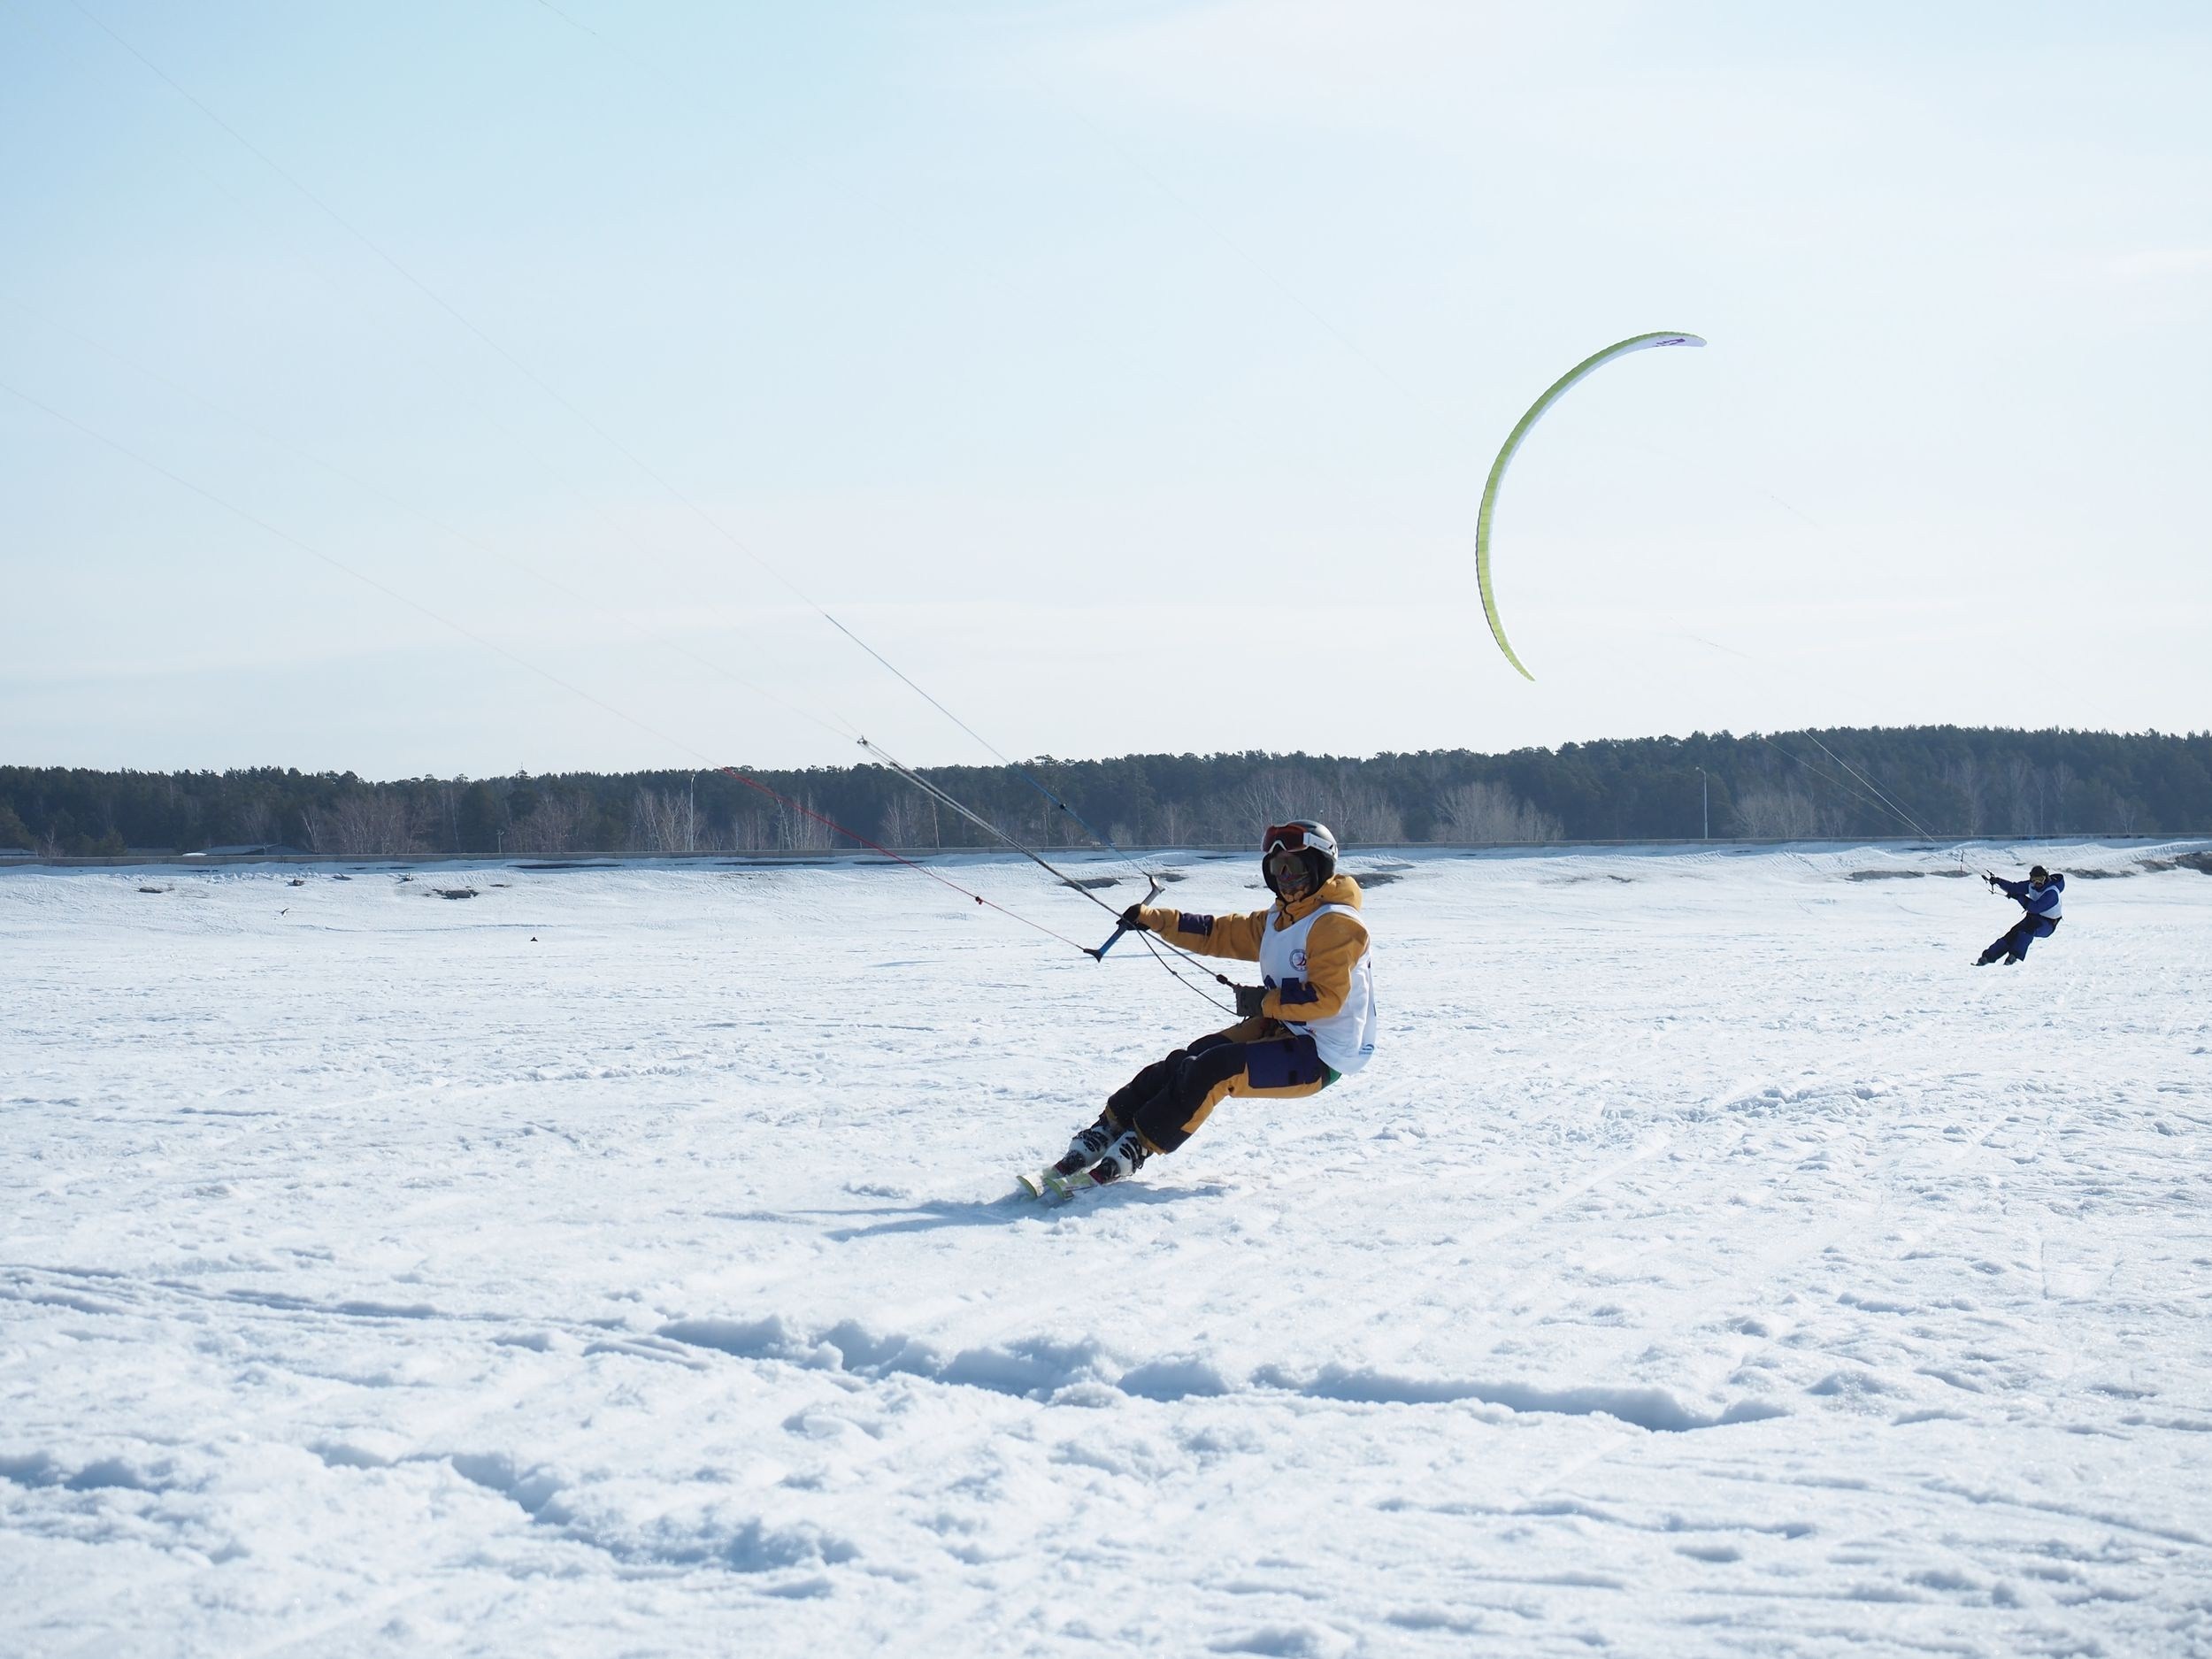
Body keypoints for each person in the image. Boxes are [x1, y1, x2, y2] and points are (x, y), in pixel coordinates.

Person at [1047, 820, 1378, 1188]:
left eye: (1295, 867)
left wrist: (1264, 1001)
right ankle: (1108, 1128)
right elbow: (1218, 932)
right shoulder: (1280, 919)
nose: (1285, 878)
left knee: (1215, 1069)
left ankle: (1138, 1145)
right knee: (1187, 1059)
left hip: (1323, 1054)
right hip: (1285, 1025)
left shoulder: (1336, 924)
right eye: (1277, 868)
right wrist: (1157, 920)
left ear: (1320, 867)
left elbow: (1326, 998)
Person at [1977, 864, 2064, 965]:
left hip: (2048, 924)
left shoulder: (2052, 892)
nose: (2037, 883)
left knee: (2027, 930)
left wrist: (2019, 897)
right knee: (2013, 933)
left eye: (2040, 879)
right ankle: (1988, 956)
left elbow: (2035, 908)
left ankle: (2015, 955)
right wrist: (1998, 881)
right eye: (2034, 880)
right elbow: (2015, 888)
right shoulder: (2031, 885)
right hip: (2033, 918)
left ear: (2046, 878)